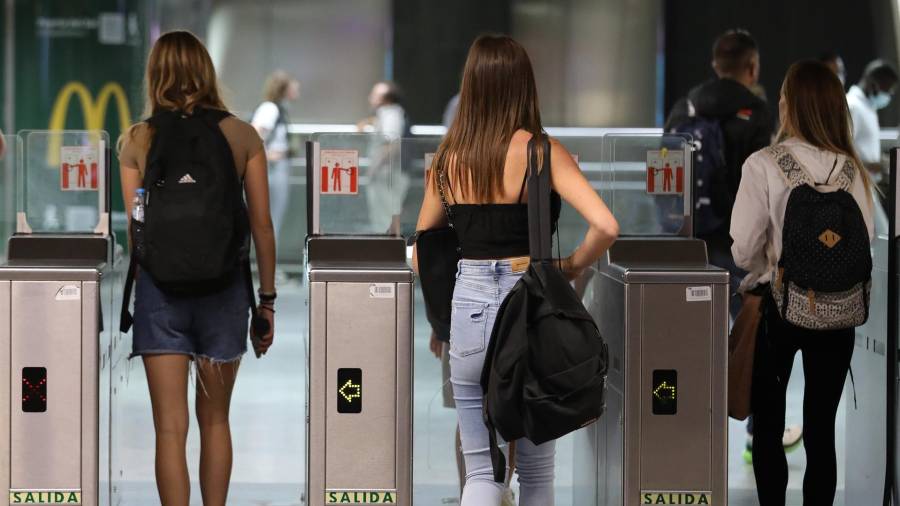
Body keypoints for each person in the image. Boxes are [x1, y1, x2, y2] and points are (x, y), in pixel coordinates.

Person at [413, 34, 619, 506]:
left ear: (472, 86)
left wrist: (441, 320)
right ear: (523, 85)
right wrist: (567, 267)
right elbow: (606, 225)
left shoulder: (449, 158)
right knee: (536, 471)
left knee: (481, 472)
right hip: (531, 313)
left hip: (467, 311)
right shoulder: (542, 153)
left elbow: (425, 244)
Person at [118, 31, 276, 506]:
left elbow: (137, 230)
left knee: (169, 429)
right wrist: (265, 303)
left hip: (160, 296)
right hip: (224, 293)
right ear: (206, 70)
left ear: (155, 74)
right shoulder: (241, 135)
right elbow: (262, 227)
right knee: (216, 421)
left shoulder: (137, 139)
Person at [731, 60, 875, 506]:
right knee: (820, 429)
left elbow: (741, 249)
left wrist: (769, 267)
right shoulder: (853, 171)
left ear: (788, 105)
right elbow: (864, 242)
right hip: (839, 313)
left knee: (770, 426)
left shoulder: (764, 164)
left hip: (777, 310)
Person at [666, 29, 772, 319]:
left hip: (686, 238)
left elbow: (662, 173)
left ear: (715, 65)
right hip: (736, 238)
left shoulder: (684, 107)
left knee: (689, 320)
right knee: (743, 324)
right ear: (752, 66)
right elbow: (762, 183)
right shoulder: (757, 113)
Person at [251, 70, 300, 241]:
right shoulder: (270, 108)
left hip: (275, 169)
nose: (296, 89)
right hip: (271, 171)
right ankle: (267, 265)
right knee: (270, 220)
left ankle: (270, 264)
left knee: (272, 219)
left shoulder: (278, 109)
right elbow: (256, 134)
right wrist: (266, 155)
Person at [846, 59, 898, 186]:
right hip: (855, 186)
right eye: (886, 89)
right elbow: (843, 153)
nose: (888, 95)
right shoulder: (852, 106)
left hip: (868, 184)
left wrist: (882, 161)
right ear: (873, 83)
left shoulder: (869, 106)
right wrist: (875, 166)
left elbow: (863, 147)